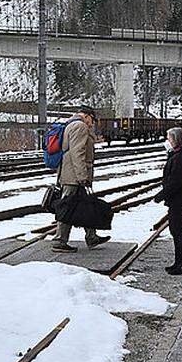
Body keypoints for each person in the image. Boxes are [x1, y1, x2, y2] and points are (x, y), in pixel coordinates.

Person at [50, 105, 112, 253]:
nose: (92, 124)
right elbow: (77, 153)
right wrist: (82, 176)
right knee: (68, 207)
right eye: (92, 120)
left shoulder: (71, 124)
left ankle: (91, 236)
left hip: (71, 173)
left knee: (85, 204)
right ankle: (59, 240)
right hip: (74, 176)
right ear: (87, 116)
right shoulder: (80, 127)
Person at [154, 127, 182, 275]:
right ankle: (180, 262)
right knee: (176, 230)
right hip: (178, 199)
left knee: (179, 231)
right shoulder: (179, 155)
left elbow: (175, 182)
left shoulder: (181, 158)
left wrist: (161, 195)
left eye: (169, 139)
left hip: (179, 199)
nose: (167, 141)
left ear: (177, 140)